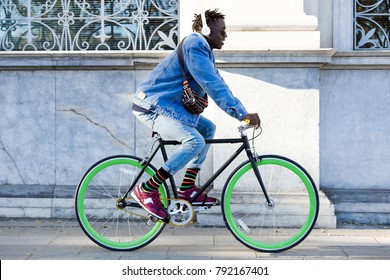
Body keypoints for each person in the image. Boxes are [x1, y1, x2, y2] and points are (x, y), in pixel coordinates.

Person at [131, 9, 260, 222]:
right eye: (222, 31)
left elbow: (219, 83)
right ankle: (147, 189)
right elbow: (212, 85)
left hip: (167, 108)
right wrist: (241, 113)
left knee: (208, 129)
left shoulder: (205, 50)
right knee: (194, 142)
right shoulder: (195, 45)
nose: (225, 35)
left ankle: (187, 188)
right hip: (152, 106)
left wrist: (240, 110)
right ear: (208, 29)